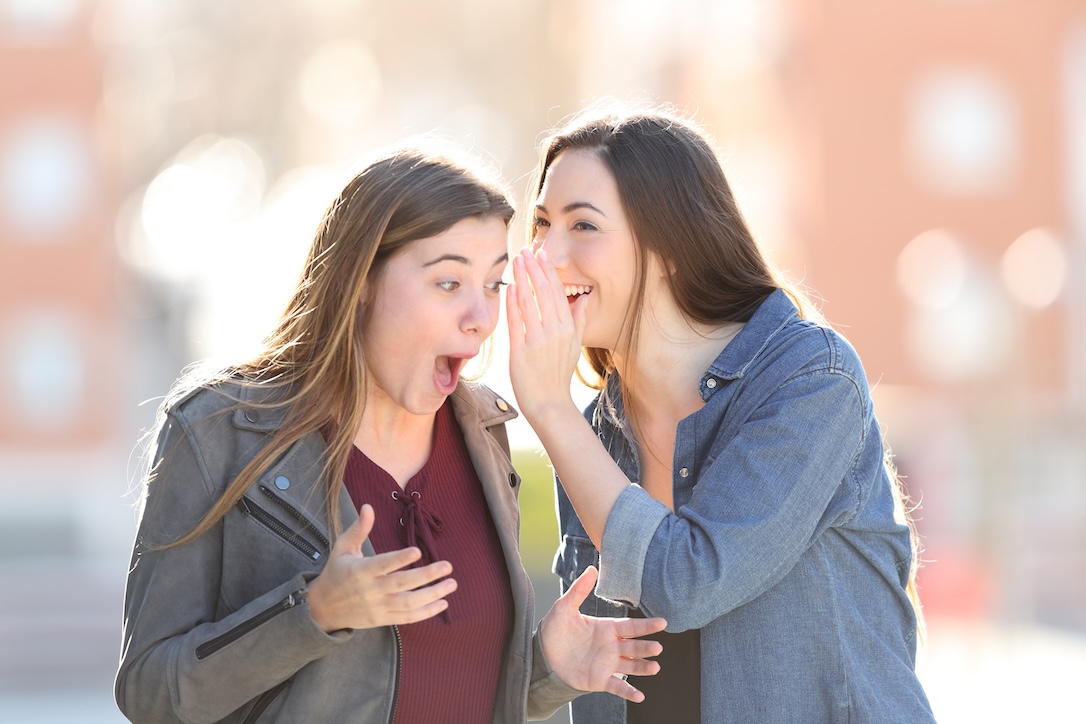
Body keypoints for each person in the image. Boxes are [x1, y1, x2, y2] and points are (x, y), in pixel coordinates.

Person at [115, 143, 667, 724]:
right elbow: (151, 693)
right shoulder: (219, 431)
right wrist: (313, 614)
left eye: (495, 285)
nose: (481, 317)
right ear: (360, 283)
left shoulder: (484, 434)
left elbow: (442, 685)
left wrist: (544, 670)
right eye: (449, 283)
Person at [505, 107, 936, 723]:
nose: (546, 256)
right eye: (542, 224)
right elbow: (591, 666)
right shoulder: (595, 430)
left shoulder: (810, 380)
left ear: (672, 247)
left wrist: (548, 411)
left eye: (583, 226)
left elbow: (686, 581)